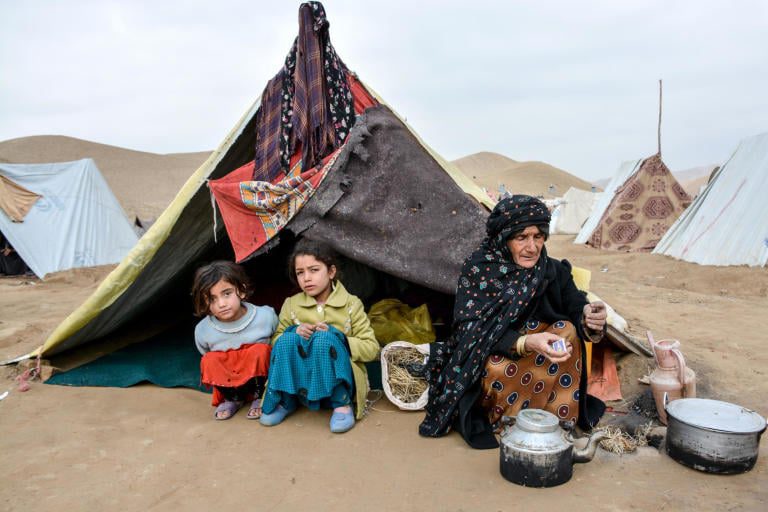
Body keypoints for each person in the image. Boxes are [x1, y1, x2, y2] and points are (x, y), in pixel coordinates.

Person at [419, 195, 607, 448]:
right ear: (503, 239)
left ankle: (557, 422)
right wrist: (526, 342)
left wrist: (588, 317)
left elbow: (575, 304)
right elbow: (469, 332)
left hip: (544, 360)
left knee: (569, 329)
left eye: (538, 236)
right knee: (495, 367)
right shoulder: (480, 271)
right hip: (499, 358)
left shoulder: (551, 271)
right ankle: (509, 423)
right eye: (522, 238)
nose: (532, 247)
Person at [260, 239, 379, 433]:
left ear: (331, 272)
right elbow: (275, 343)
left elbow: (372, 349)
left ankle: (341, 403)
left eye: (314, 270)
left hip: (340, 383)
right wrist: (294, 331)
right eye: (300, 272)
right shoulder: (291, 304)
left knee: (324, 340)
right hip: (301, 384)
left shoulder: (351, 304)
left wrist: (338, 337)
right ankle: (287, 400)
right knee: (287, 338)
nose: (306, 278)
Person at [192, 261, 278, 420]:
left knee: (262, 351)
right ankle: (233, 399)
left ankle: (261, 396)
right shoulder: (203, 330)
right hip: (229, 381)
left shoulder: (265, 316)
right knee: (209, 360)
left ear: (242, 291)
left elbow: (276, 345)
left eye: (227, 293)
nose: (221, 304)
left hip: (261, 380)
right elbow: (205, 352)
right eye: (212, 299)